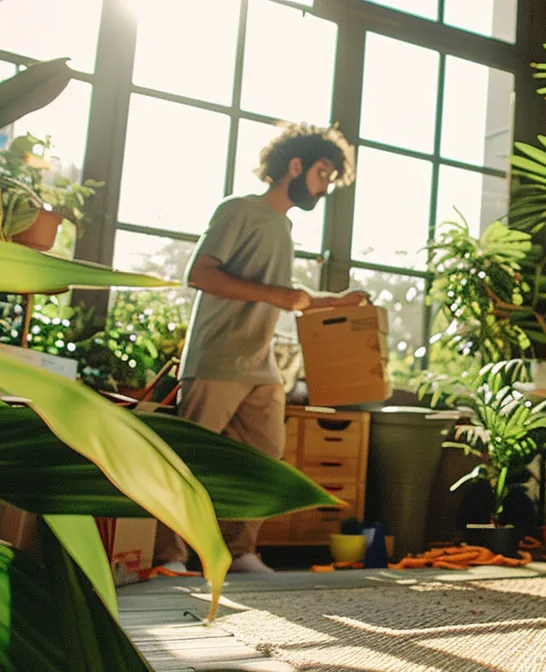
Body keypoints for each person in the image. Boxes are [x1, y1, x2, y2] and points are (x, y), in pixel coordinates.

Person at [154, 122, 365, 574]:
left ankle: (240, 552)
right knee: (189, 459)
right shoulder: (238, 210)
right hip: (217, 358)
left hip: (259, 364)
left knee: (264, 457)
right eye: (322, 174)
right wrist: (278, 296)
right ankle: (169, 557)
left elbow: (283, 294)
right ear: (295, 165)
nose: (325, 187)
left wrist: (335, 302)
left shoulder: (283, 227)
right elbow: (201, 274)